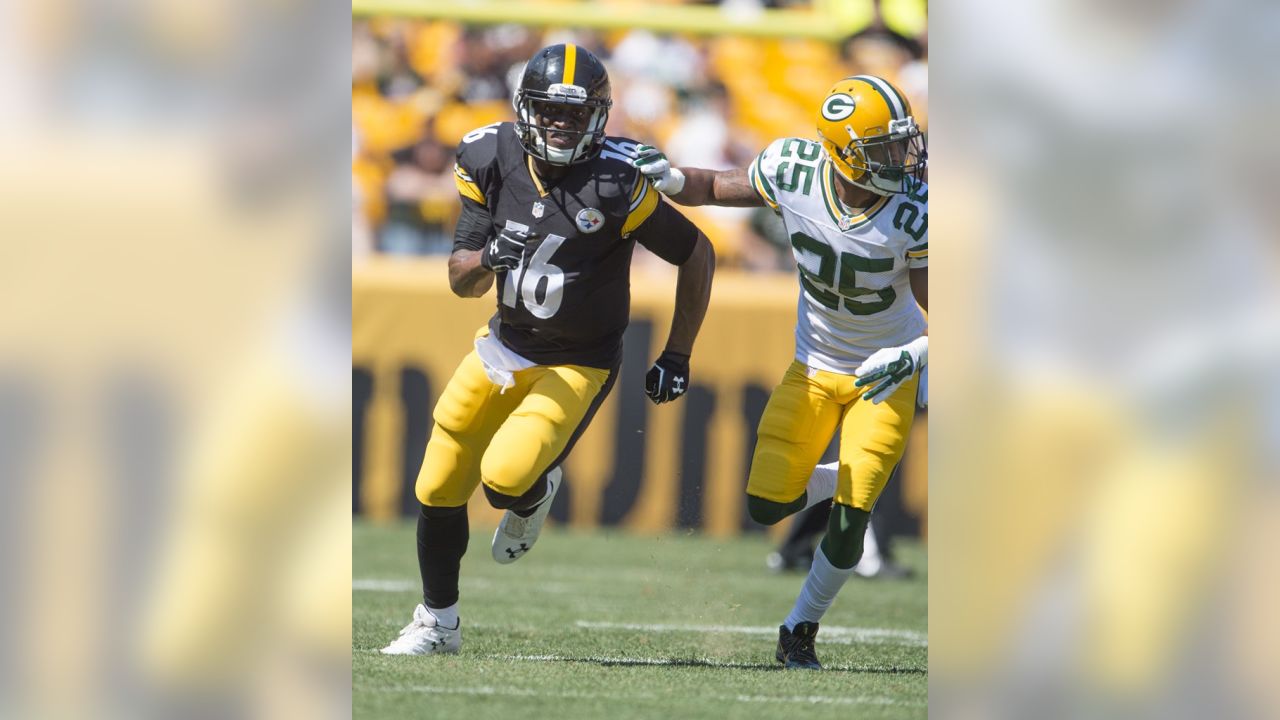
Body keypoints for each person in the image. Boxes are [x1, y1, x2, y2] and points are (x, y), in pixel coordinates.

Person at [381, 44, 716, 655]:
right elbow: (461, 279)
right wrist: (486, 259)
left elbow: (696, 252)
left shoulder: (618, 180)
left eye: (575, 112)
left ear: (599, 115)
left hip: (579, 360)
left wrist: (678, 352)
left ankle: (533, 492)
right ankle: (437, 624)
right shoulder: (488, 154)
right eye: (549, 111)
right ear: (523, 109)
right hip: (503, 345)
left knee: (506, 479)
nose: (561, 124)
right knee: (435, 486)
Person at [634, 74, 927, 669]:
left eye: (902, 146)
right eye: (885, 150)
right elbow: (715, 185)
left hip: (886, 374)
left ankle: (799, 628)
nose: (901, 160)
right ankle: (837, 479)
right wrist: (669, 178)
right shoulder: (793, 170)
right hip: (815, 366)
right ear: (845, 152)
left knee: (851, 521)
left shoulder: (915, 213)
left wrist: (913, 354)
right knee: (767, 506)